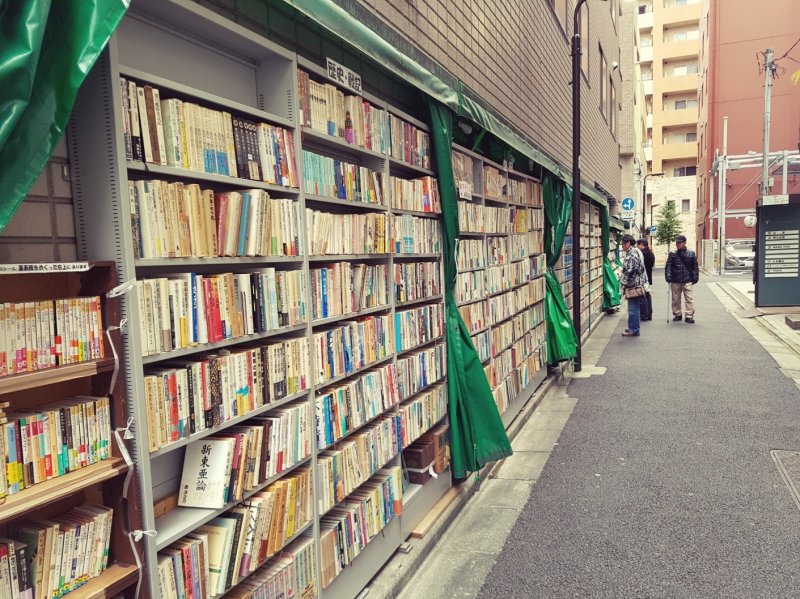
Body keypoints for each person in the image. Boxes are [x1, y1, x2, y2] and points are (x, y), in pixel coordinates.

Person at [665, 234, 699, 323]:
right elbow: (668, 266)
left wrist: (695, 277)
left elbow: (695, 267)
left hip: (687, 279)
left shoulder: (691, 254)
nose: (677, 244)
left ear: (684, 243)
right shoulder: (672, 254)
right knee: (675, 299)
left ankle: (689, 315)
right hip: (675, 280)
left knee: (689, 298)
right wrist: (668, 277)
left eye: (679, 243)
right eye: (677, 243)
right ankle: (677, 314)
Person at [619, 234, 647, 337]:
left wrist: (622, 281)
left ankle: (634, 330)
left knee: (633, 308)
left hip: (633, 286)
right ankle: (633, 328)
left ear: (628, 243)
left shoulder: (632, 253)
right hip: (637, 283)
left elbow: (630, 270)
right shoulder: (637, 251)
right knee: (634, 308)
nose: (622, 246)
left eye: (623, 244)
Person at [636, 239, 655, 321]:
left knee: (643, 297)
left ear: (641, 245)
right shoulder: (650, 253)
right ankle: (649, 314)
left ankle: (645, 315)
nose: (637, 247)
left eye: (638, 245)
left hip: (644, 278)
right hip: (648, 277)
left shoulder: (643, 254)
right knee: (647, 296)